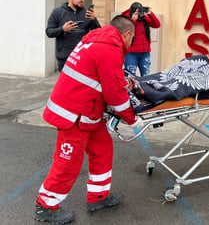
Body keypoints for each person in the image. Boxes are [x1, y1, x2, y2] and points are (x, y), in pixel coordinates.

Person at [34, 15, 143, 224]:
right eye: (132, 38)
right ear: (126, 34)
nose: (131, 44)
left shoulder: (95, 40)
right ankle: (45, 207)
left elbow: (104, 79)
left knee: (102, 148)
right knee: (67, 163)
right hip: (74, 115)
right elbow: (115, 95)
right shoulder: (110, 49)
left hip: (87, 112)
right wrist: (131, 118)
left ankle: (98, 197)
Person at [46, 0, 101, 72]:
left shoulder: (87, 13)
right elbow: (49, 32)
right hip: (64, 58)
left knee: (81, 84)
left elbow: (98, 33)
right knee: (66, 84)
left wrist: (94, 20)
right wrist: (63, 29)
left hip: (82, 57)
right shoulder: (57, 12)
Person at [121, 2, 161, 76]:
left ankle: (144, 88)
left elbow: (157, 24)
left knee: (146, 76)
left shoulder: (144, 18)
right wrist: (133, 20)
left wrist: (150, 14)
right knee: (131, 76)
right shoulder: (126, 19)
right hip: (131, 53)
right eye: (136, 12)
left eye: (139, 11)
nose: (138, 14)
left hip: (145, 53)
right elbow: (126, 31)